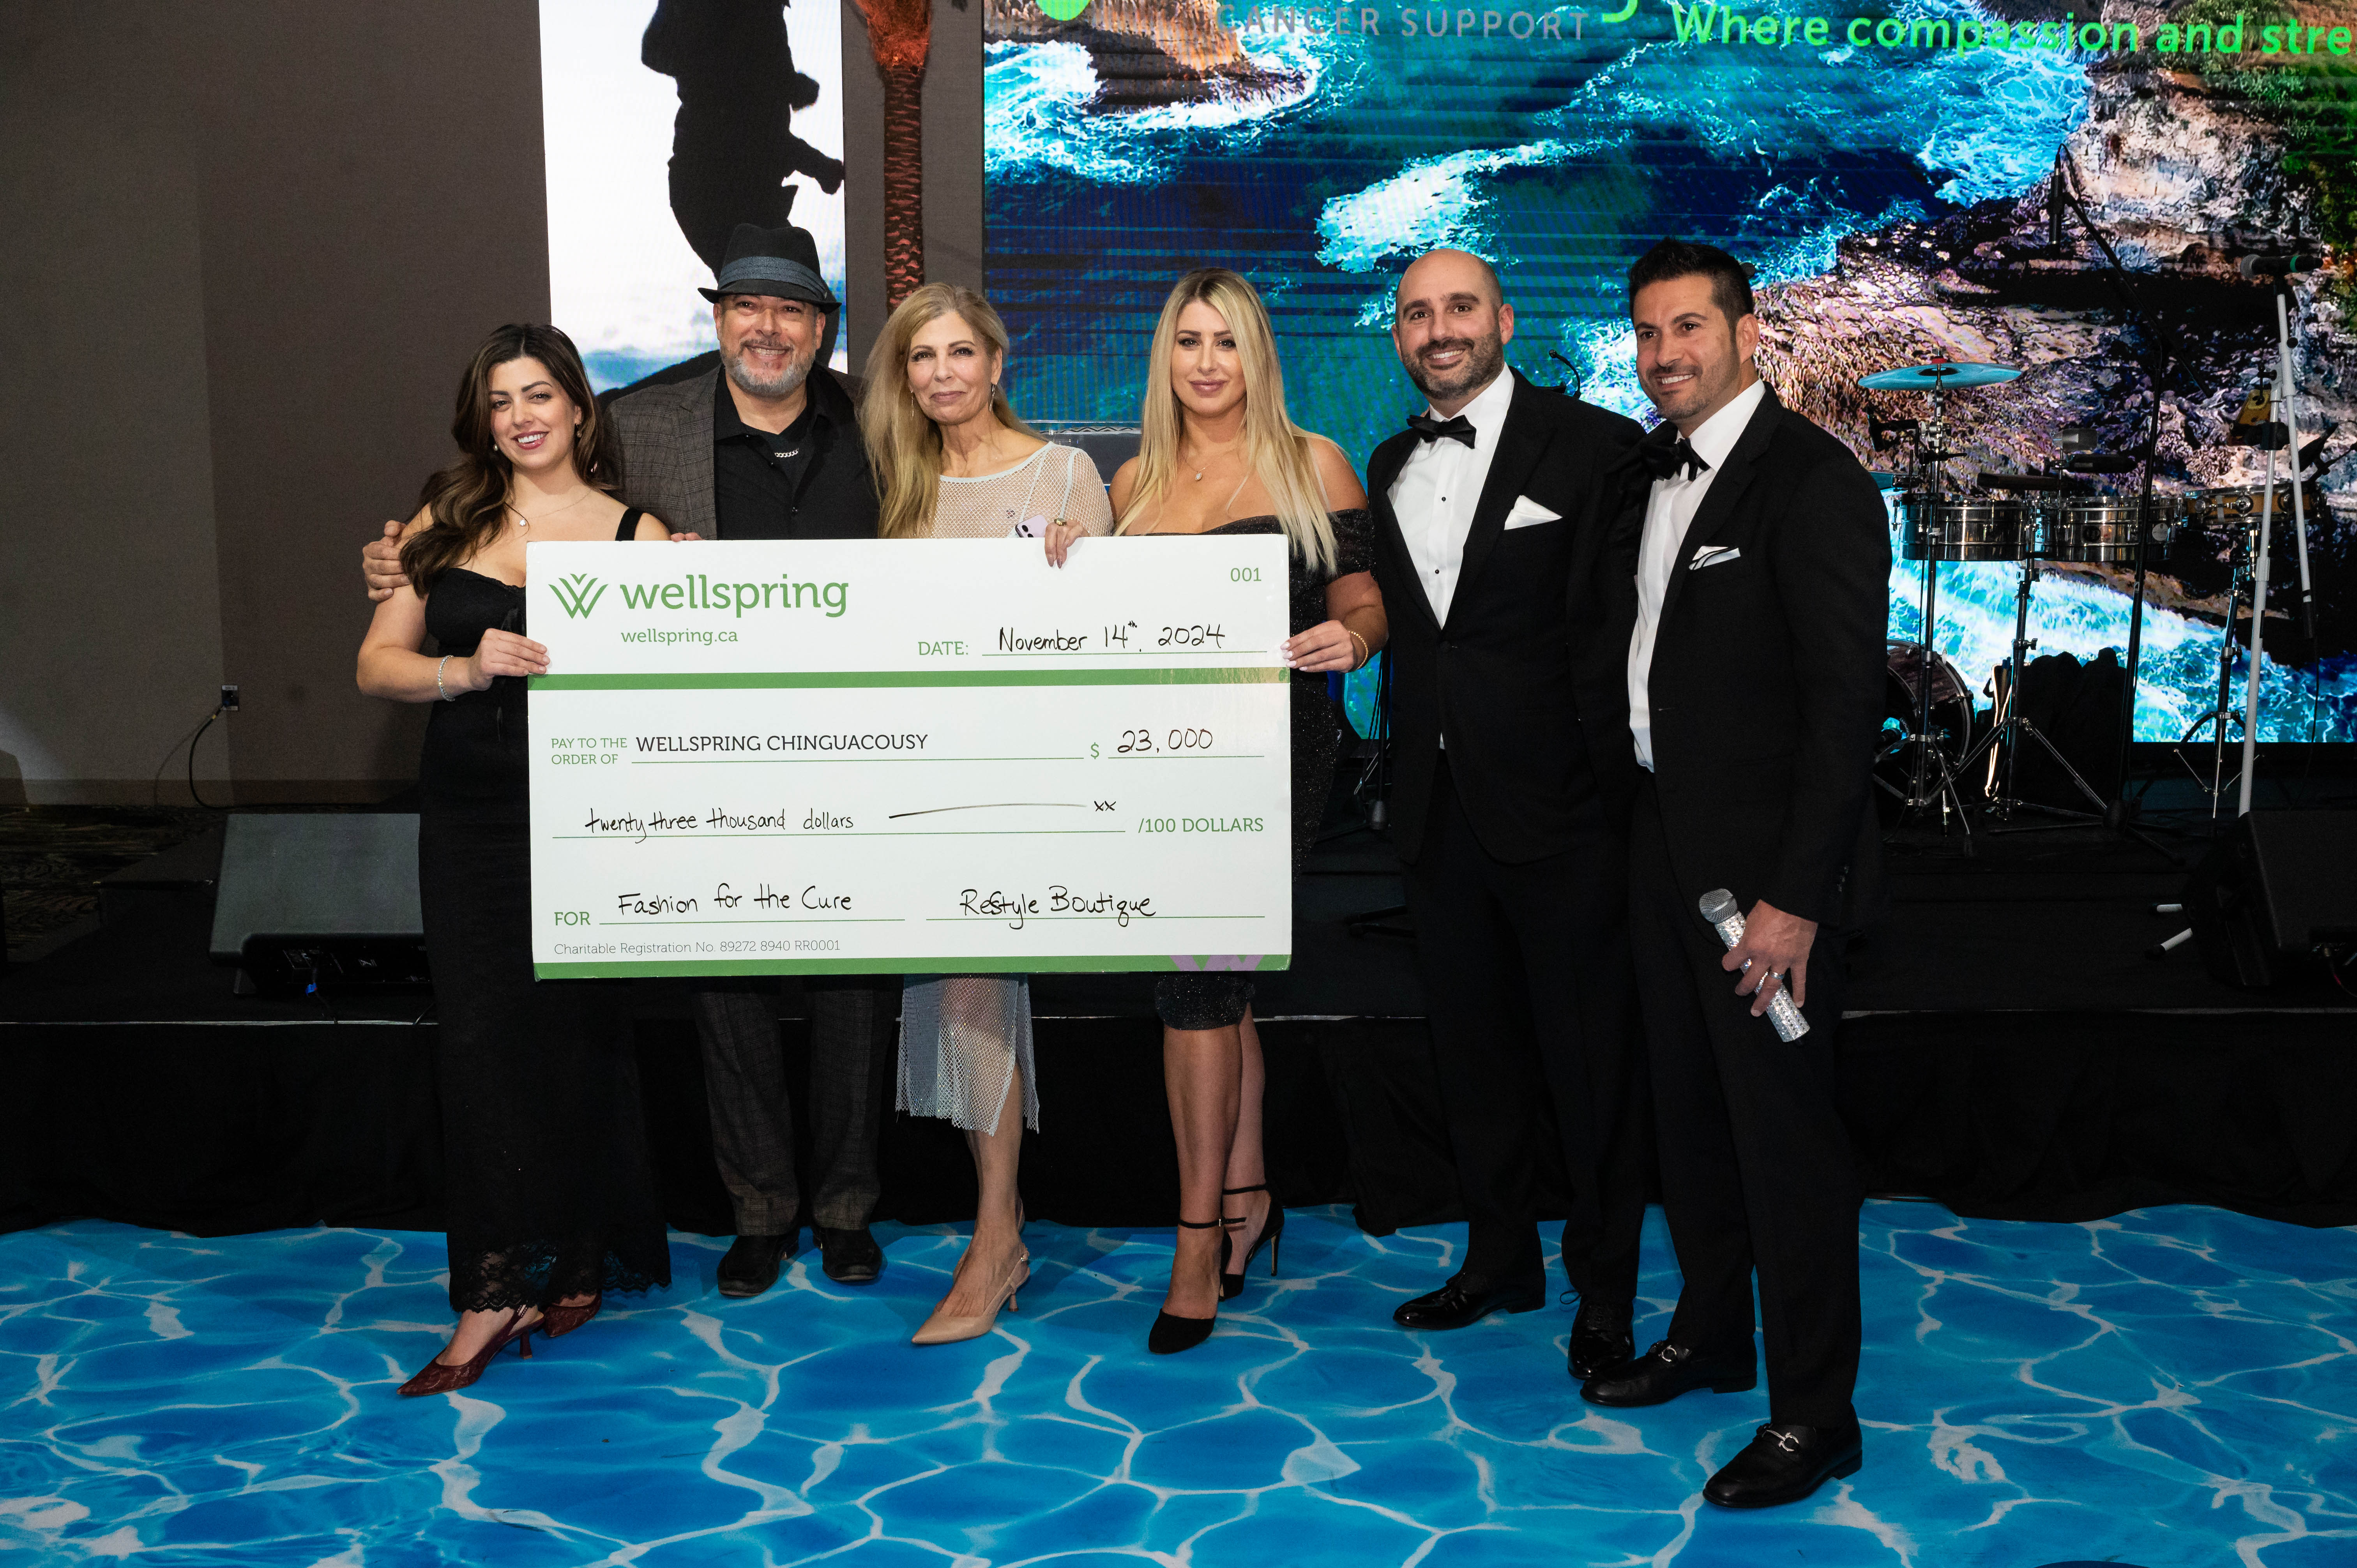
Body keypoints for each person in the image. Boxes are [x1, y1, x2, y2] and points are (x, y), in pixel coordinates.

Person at [366, 224, 894, 1302]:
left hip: (856, 747)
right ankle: (759, 1214)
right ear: (718, 319)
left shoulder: (883, 426)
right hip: (704, 756)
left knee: (857, 985)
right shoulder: (646, 426)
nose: (767, 327)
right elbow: (534, 506)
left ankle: (846, 1212)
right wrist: (399, 559)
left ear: (823, 327)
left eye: (791, 309)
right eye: (745, 306)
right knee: (724, 983)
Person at [1574, 238, 1889, 1511]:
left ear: (1749, 334)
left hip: (1766, 878)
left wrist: (1795, 900)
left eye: (1691, 328)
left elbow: (1845, 709)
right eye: (1649, 333)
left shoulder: (1812, 482)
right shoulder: (1644, 474)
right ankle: (1712, 1336)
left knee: (1784, 1143)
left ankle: (1818, 1415)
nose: (1666, 355)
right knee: (1690, 1119)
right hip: (1660, 845)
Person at [356, 323, 673, 1395]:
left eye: (539, 394)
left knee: (580, 1041)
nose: (522, 416)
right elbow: (375, 666)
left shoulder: (637, 534)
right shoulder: (445, 519)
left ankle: (571, 1262)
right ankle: (491, 1291)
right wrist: (463, 667)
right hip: (471, 824)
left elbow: (683, 684)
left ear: (579, 406)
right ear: (483, 421)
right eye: (501, 401)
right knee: (483, 1046)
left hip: (591, 820)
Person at [1362, 249, 1652, 1384]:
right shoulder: (1390, 462)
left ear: (1505, 319)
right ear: (1399, 335)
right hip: (1435, 811)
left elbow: (1629, 629)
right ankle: (1500, 1259)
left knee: (1590, 1066)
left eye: (1460, 308)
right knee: (1472, 1054)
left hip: (1562, 813)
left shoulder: (1596, 447)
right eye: (1417, 314)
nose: (1440, 329)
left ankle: (1607, 1289)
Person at [1111, 268, 1387, 1354]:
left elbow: (1362, 598)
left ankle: (1194, 1243)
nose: (1207, 362)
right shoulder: (1132, 481)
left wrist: (1355, 638)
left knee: (1198, 985)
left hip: (1278, 757)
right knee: (1219, 988)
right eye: (1189, 341)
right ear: (1166, 358)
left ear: (1258, 355)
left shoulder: (1314, 462)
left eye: (1227, 341)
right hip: (1161, 761)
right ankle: (1249, 1195)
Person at [862, 283, 1114, 1344]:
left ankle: (996, 1234)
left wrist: (1087, 559)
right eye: (922, 358)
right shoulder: (898, 484)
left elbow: (1109, 634)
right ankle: (997, 1228)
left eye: (960, 352)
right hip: (923, 777)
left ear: (998, 363)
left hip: (1032, 777)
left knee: (973, 985)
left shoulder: (1067, 476)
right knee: (961, 989)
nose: (942, 374)